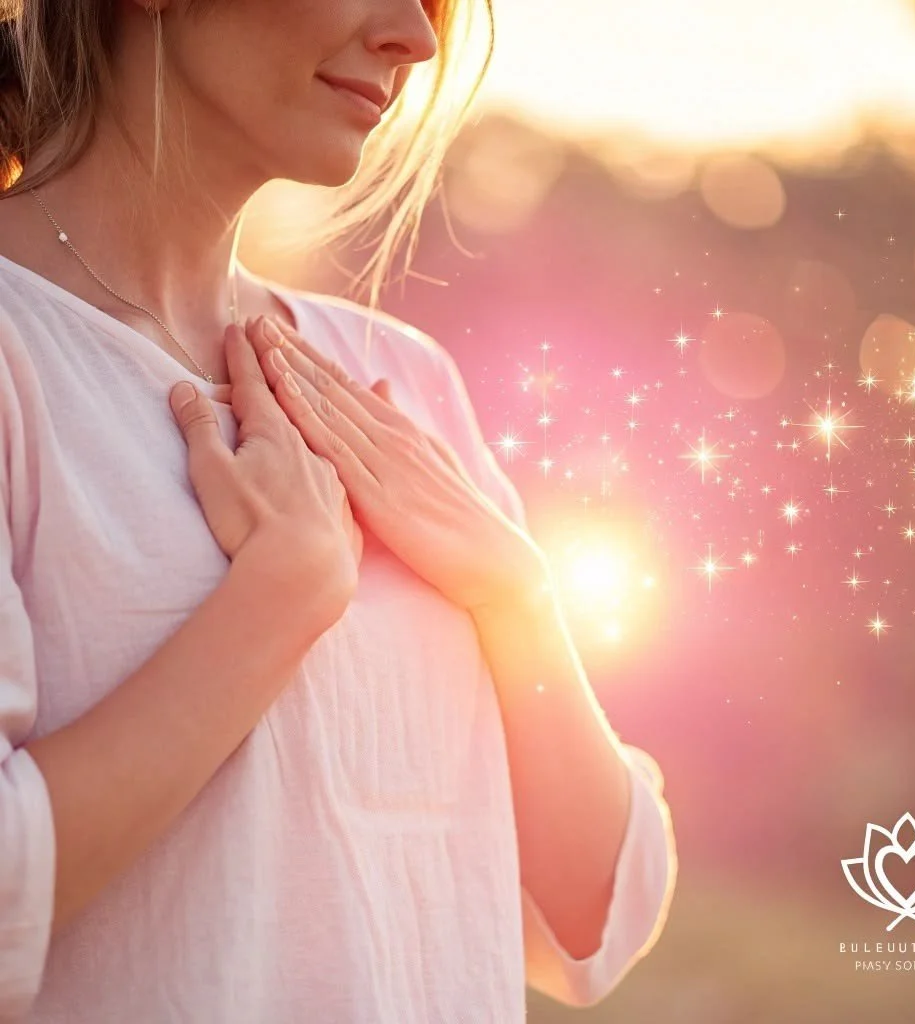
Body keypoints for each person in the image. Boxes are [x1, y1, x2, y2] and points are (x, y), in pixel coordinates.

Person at [0, 1, 678, 1021]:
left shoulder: (398, 381)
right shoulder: (19, 362)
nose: (417, 34)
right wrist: (278, 601)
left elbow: (594, 912)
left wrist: (516, 597)